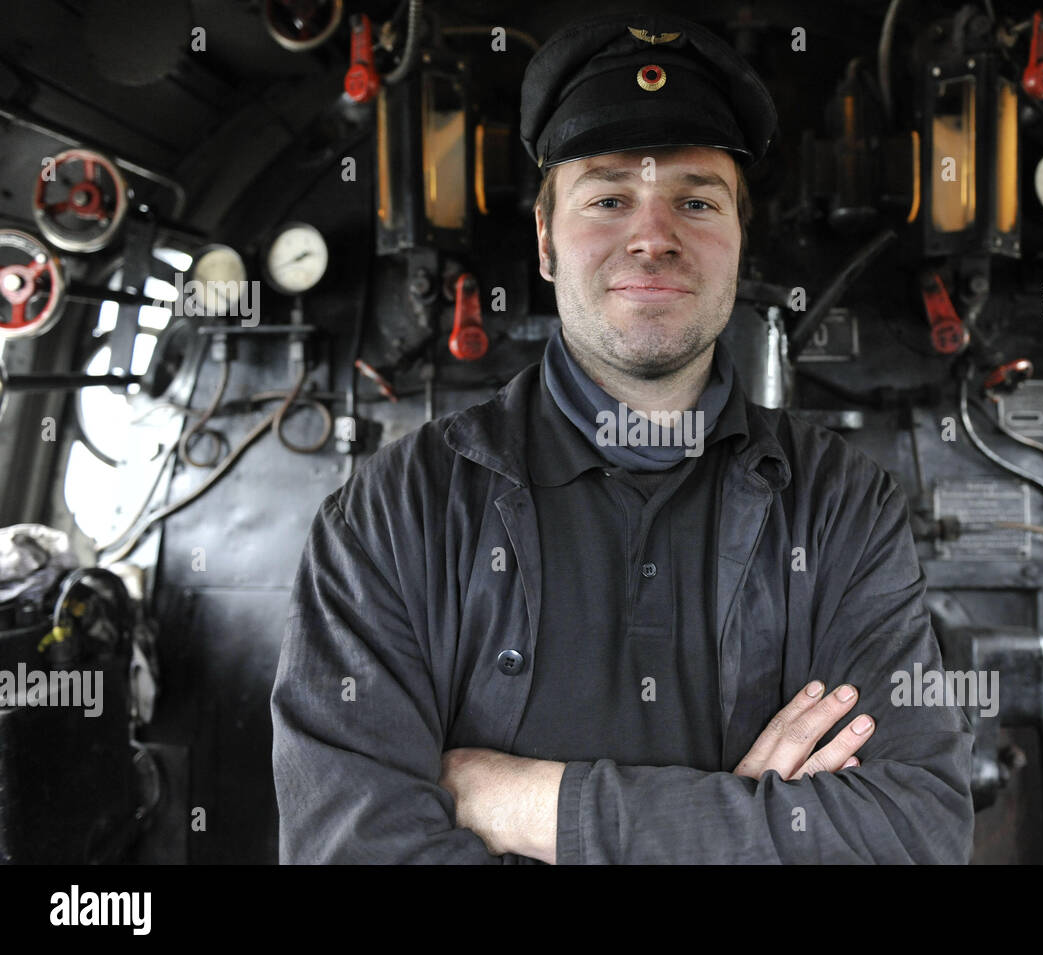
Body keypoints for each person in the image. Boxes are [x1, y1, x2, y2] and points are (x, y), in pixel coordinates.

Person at [271, 12, 974, 864]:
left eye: (696, 200)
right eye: (608, 197)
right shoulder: (390, 517)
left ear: (738, 240)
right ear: (544, 241)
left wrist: (543, 807)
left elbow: (914, 834)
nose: (653, 235)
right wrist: (740, 825)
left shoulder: (842, 508)